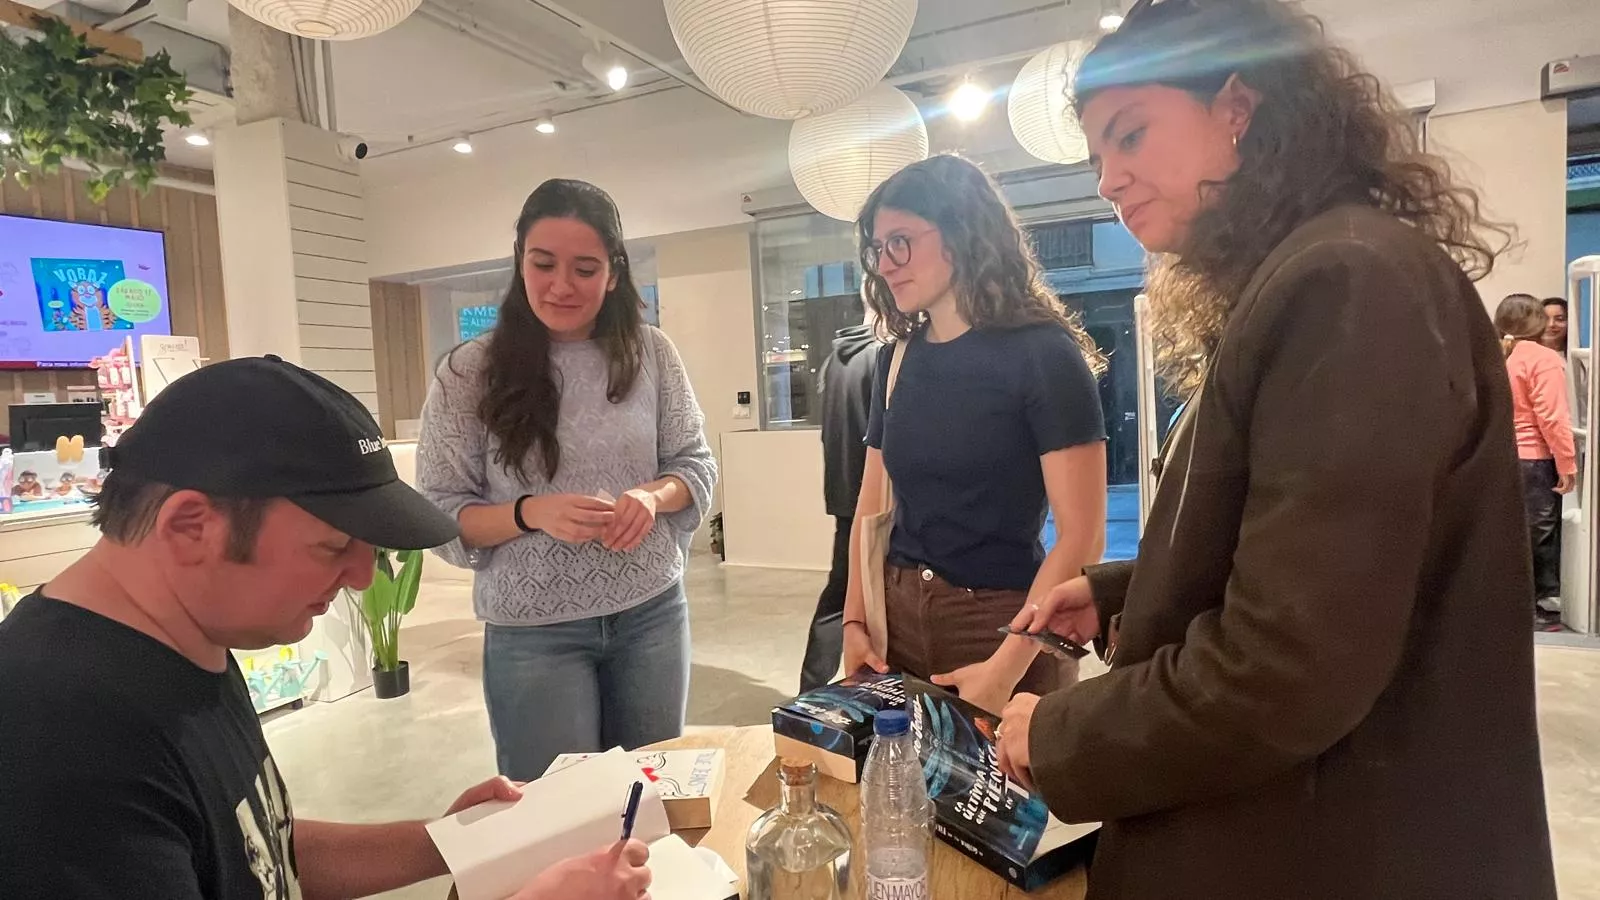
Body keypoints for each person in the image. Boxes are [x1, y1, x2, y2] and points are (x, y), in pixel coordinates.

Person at [995, 2, 1557, 898]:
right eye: (1099, 152)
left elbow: (1288, 668)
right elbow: (1320, 559)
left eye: (1132, 134)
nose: (1109, 178)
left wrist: (1060, 733)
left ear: (1237, 107)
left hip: (1338, 845)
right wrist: (1119, 594)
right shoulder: (1319, 269)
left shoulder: (1346, 281)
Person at [0, 356, 653, 900]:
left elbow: (254, 848)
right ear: (190, 526)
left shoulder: (184, 640)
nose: (364, 578)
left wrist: (460, 840)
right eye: (333, 544)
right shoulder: (58, 740)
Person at [418, 178, 716, 782]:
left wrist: (653, 497)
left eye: (585, 268)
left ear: (612, 274)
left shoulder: (651, 354)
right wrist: (530, 512)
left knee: (651, 803)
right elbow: (439, 512)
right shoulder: (469, 372)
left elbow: (695, 463)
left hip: (651, 614)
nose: (561, 285)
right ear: (519, 263)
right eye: (543, 263)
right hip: (534, 636)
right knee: (558, 817)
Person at [840, 153, 1109, 716]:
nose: (885, 265)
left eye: (900, 242)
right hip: (898, 622)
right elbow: (870, 508)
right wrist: (855, 621)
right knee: (902, 797)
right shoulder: (896, 361)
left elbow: (1082, 538)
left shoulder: (1044, 355)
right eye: (877, 249)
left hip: (1004, 624)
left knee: (997, 802)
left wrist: (1004, 669)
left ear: (960, 232)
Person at [799, 300, 883, 694]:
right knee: (860, 600)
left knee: (840, 597)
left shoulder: (836, 360)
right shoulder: (882, 357)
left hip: (844, 493)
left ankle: (813, 688)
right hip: (875, 499)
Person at [1497, 294, 1577, 628]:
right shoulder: (1542, 358)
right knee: (1541, 535)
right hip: (1535, 458)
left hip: (1505, 456)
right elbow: (1552, 417)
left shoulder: (1503, 355)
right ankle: (1545, 609)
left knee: (1513, 534)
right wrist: (1567, 462)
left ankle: (1513, 606)